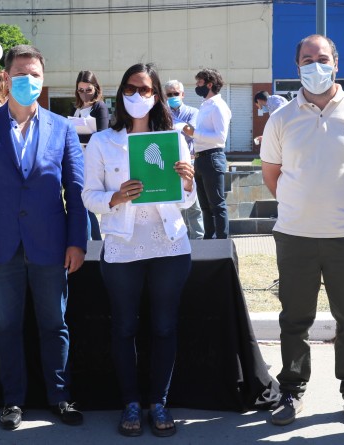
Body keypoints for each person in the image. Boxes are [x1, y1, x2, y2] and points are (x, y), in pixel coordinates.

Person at [0, 44, 87, 431]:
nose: (28, 80)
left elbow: (76, 190)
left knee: (54, 325)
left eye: (35, 75)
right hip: (1, 246)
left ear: (43, 80)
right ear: (6, 78)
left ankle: (60, 396)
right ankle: (12, 399)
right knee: (7, 326)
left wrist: (77, 241)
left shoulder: (62, 127)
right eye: (20, 74)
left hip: (51, 244)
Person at [260, 34, 344, 430]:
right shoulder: (281, 119)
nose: (315, 65)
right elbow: (271, 175)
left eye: (322, 58)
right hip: (294, 236)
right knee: (294, 319)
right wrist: (301, 205)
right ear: (296, 66)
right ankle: (292, 390)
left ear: (336, 63)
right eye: (307, 59)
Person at [82, 63, 196, 438]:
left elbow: (186, 202)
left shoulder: (174, 138)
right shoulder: (102, 141)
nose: (137, 95)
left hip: (169, 245)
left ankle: (158, 401)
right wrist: (115, 197)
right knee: (124, 327)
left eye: (145, 89)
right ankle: (131, 402)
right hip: (122, 247)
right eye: (130, 89)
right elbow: (88, 196)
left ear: (156, 95)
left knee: (164, 327)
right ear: (120, 94)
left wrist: (188, 183)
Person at [181, 68, 231, 239]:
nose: (197, 85)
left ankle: (222, 242)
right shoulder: (205, 105)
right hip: (201, 158)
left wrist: (194, 133)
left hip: (212, 157)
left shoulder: (218, 106)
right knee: (205, 206)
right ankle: (209, 239)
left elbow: (220, 137)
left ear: (209, 84)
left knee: (217, 204)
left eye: (199, 82)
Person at [72, 70, 110, 240]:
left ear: (95, 89)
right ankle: (94, 241)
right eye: (81, 90)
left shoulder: (99, 107)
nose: (85, 94)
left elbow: (102, 134)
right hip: (77, 158)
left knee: (84, 203)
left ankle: (90, 242)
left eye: (88, 90)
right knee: (82, 204)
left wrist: (78, 135)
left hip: (92, 160)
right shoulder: (77, 108)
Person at [165, 79, 204, 240]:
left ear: (183, 94)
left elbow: (191, 132)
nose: (173, 96)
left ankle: (198, 238)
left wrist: (174, 126)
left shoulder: (193, 112)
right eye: (169, 94)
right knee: (174, 203)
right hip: (169, 163)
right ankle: (178, 238)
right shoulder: (162, 113)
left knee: (194, 204)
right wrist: (181, 127)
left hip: (189, 162)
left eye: (176, 93)